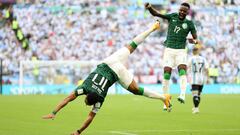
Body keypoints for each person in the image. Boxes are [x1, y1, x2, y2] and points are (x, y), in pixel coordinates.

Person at [42, 21, 172, 135]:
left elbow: (90, 117)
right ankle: (152, 28)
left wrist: (77, 131)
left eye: (87, 102)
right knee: (131, 46)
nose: (86, 102)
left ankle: (163, 98)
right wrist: (54, 112)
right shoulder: (84, 87)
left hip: (116, 72)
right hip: (109, 62)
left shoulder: (99, 99)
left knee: (136, 90)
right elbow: (68, 98)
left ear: (89, 98)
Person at [145, 2, 199, 107]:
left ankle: (182, 95)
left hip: (181, 51)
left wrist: (193, 41)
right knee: (166, 75)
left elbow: (196, 39)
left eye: (184, 11)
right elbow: (157, 14)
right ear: (179, 9)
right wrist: (150, 8)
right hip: (169, 49)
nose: (182, 12)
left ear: (188, 12)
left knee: (182, 71)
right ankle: (166, 100)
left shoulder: (189, 23)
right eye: (181, 10)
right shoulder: (172, 16)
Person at [188, 47, 208, 114]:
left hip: (194, 78)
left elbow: (186, 67)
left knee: (194, 95)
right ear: (198, 51)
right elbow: (207, 69)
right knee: (199, 95)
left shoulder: (191, 59)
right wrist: (207, 78)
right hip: (201, 78)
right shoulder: (203, 59)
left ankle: (196, 108)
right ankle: (196, 107)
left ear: (193, 52)